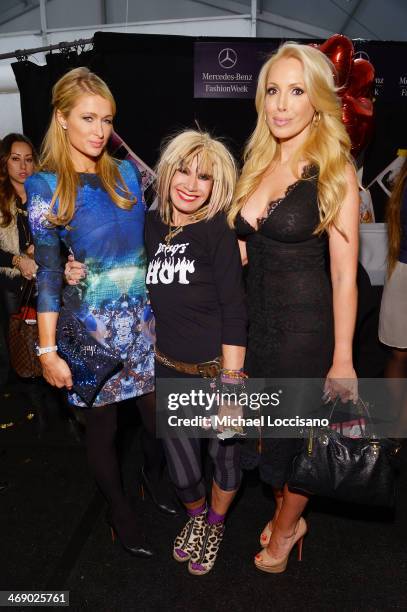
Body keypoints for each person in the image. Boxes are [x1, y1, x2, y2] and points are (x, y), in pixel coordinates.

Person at [26, 67, 173, 559]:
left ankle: (153, 479)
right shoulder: (45, 187)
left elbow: (154, 239)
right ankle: (118, 508)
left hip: (145, 324)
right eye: (87, 118)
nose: (99, 130)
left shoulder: (127, 172)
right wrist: (47, 352)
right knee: (104, 430)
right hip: (91, 328)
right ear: (61, 118)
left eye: (107, 120)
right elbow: (48, 274)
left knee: (156, 423)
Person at [229, 42, 359, 573]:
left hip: (306, 334)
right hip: (256, 329)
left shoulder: (333, 170)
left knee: (302, 441)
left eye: (296, 90)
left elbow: (345, 273)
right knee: (271, 438)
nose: (281, 104)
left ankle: (286, 530)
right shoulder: (257, 162)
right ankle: (288, 511)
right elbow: (238, 252)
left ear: (318, 101)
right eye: (273, 91)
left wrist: (344, 358)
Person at [145, 130, 247, 575]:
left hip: (217, 372)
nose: (191, 183)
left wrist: (231, 389)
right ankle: (196, 517)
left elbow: (235, 310)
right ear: (166, 173)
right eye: (183, 171)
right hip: (168, 368)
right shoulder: (150, 226)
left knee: (224, 458)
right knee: (183, 470)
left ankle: (217, 523)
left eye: (204, 177)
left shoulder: (216, 232)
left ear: (216, 184)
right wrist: (74, 267)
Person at [0, 133, 38, 381]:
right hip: (14, 286)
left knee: (54, 345)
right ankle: (38, 413)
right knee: (22, 347)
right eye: (16, 159)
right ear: (5, 162)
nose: (23, 166)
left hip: (48, 281)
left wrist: (44, 248)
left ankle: (64, 409)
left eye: (28, 159)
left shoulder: (45, 194)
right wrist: (18, 260)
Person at [378, 157, 407, 424]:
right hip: (402, 271)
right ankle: (395, 426)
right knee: (399, 354)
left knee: (399, 355)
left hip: (400, 271)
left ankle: (397, 426)